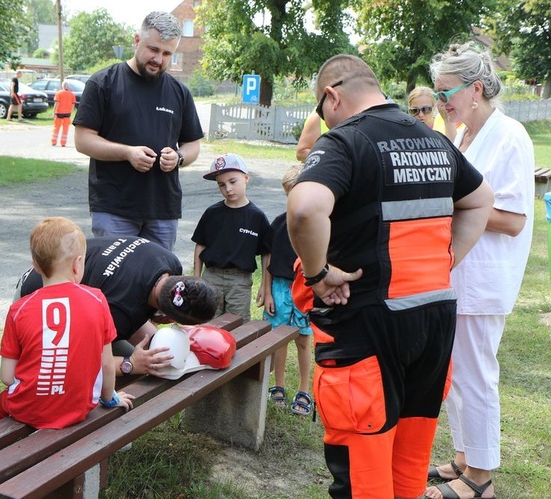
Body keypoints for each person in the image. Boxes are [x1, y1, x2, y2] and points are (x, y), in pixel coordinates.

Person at [286, 54, 494, 499]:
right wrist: (445, 258)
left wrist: (319, 273)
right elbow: (481, 201)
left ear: (333, 96)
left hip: (367, 327)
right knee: (409, 468)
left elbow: (304, 208)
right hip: (433, 325)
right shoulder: (435, 141)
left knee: (363, 475)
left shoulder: (344, 142)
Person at [425, 43, 535, 499]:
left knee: (476, 375)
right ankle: (464, 457)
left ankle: (482, 478)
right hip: (453, 273)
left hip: (484, 278)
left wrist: (463, 202)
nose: (440, 102)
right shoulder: (459, 134)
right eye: (437, 93)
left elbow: (513, 220)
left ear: (475, 88)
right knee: (453, 374)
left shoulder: (510, 135)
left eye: (446, 92)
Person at [74, 11, 204, 251]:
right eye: (153, 50)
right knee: (116, 281)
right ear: (136, 41)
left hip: (162, 208)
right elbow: (83, 140)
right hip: (114, 206)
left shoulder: (179, 92)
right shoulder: (103, 83)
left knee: (159, 282)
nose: (158, 59)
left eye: (167, 54)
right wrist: (127, 153)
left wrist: (179, 157)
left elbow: (193, 145)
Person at [0, 218, 133, 428]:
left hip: (29, 410)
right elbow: (107, 365)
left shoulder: (18, 309)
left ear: (36, 266)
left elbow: (7, 376)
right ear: (78, 264)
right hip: (79, 408)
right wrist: (110, 397)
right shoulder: (97, 299)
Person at [16, 235, 220, 378]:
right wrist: (131, 364)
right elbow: (81, 363)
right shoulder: (119, 311)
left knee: (152, 356)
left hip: (50, 271)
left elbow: (133, 310)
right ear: (169, 318)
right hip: (35, 300)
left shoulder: (169, 262)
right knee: (124, 372)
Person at [192, 153, 272, 322]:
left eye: (233, 182)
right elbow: (200, 244)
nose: (228, 189)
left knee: (237, 324)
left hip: (239, 281)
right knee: (208, 321)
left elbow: (266, 253)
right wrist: (197, 277)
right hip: (211, 276)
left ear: (246, 178)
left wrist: (265, 286)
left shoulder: (257, 217)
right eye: (221, 185)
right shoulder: (212, 213)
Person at [260, 164, 313, 416]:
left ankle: (304, 389)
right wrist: (267, 291)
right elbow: (269, 260)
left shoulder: (319, 224)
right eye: (289, 193)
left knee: (303, 339)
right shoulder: (279, 223)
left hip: (306, 288)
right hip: (280, 288)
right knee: (279, 338)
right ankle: (278, 385)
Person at [51, 80, 75, 147]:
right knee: (65, 128)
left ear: (62, 86)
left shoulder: (59, 93)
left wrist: (54, 112)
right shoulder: (71, 94)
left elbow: (57, 103)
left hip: (59, 112)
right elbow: (73, 105)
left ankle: (54, 141)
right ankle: (63, 143)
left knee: (56, 127)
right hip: (67, 113)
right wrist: (70, 111)